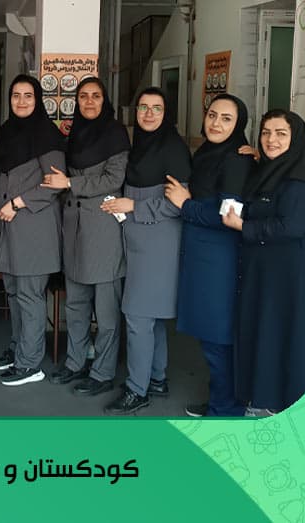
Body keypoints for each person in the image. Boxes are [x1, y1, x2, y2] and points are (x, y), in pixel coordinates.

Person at [223, 109, 305, 416]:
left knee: (288, 337)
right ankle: (263, 399)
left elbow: (292, 226)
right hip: (264, 269)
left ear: (296, 137)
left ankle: (290, 405)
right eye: (266, 133)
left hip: (291, 272)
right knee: (265, 333)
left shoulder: (304, 176)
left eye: (281, 134)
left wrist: (244, 226)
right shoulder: (272, 169)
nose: (271, 140)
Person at [101, 87, 192, 414]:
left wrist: (134, 206)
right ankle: (156, 378)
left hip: (159, 243)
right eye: (143, 107)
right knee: (151, 317)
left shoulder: (173, 149)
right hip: (138, 241)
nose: (149, 114)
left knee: (137, 316)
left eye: (157, 108)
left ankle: (136, 390)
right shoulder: (140, 146)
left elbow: (178, 203)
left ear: (167, 114)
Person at [164, 93, 255, 417]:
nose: (216, 123)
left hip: (220, 260)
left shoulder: (236, 159)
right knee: (212, 337)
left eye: (227, 118)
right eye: (212, 115)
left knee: (218, 337)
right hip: (203, 256)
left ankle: (226, 409)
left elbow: (226, 215)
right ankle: (222, 400)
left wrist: (185, 204)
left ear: (239, 124)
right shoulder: (208, 153)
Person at [40, 77, 130, 395]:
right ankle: (75, 363)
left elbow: (113, 179)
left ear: (105, 100)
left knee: (106, 311)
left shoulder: (116, 134)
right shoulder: (75, 133)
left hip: (103, 228)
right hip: (74, 228)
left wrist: (70, 183)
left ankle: (103, 373)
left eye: (95, 96)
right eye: (83, 96)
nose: (89, 101)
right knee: (76, 304)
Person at [0, 74, 65, 386]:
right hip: (8, 227)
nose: (21, 101)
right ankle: (18, 348)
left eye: (28, 96)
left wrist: (18, 202)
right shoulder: (7, 131)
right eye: (16, 95)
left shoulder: (46, 134)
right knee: (14, 292)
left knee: (30, 295)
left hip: (34, 227)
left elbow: (55, 184)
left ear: (37, 99)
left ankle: (30, 364)